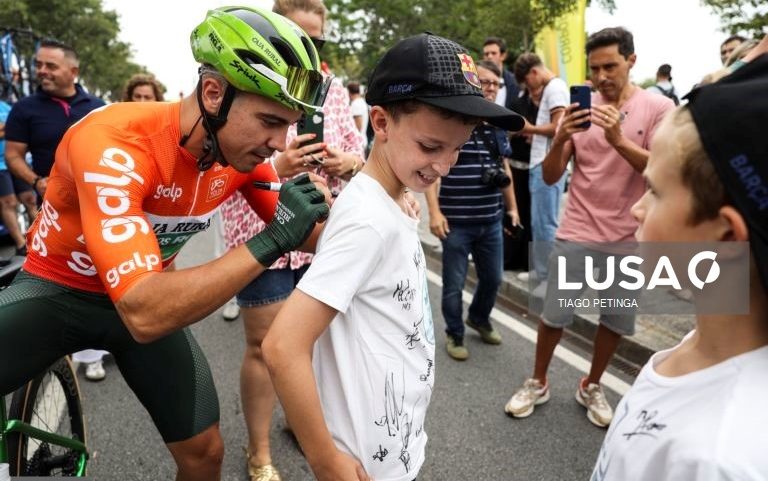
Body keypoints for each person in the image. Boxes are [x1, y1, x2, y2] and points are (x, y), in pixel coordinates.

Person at [0, 7, 331, 481]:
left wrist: (376, 189)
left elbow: (319, 237)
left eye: (289, 125)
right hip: (57, 293)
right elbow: (145, 310)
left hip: (143, 309)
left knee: (205, 453)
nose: (280, 143)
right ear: (213, 93)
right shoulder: (115, 141)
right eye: (269, 121)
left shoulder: (240, 155)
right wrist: (275, 238)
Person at [263, 33, 524, 481]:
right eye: (430, 147)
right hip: (366, 461)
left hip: (394, 442)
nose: (444, 165)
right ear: (381, 122)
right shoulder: (368, 220)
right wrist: (325, 459)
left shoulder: (387, 201)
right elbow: (282, 346)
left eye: (457, 148)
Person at [591, 53, 768, 481]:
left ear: (725, 239)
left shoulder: (719, 457)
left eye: (654, 190)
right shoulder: (705, 345)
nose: (636, 208)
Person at [218, 1, 365, 479]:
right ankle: (259, 451)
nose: (309, 49)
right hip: (260, 231)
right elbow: (222, 163)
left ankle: (301, 423)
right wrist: (277, 166)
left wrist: (344, 161)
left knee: (312, 343)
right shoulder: (244, 79)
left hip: (322, 232)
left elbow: (358, 150)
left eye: (317, 40)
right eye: (298, 37)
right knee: (263, 346)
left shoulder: (333, 88)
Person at [504, 27, 674, 427]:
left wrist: (618, 139)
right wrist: (561, 137)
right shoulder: (581, 109)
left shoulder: (658, 108)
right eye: (594, 69)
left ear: (631, 61)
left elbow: (662, 171)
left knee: (614, 321)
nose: (601, 77)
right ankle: (538, 380)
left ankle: (592, 384)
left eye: (610, 66)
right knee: (553, 314)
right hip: (577, 230)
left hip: (629, 238)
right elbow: (551, 177)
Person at [425, 59, 520, 361]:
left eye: (495, 83)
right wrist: (434, 213)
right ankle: (454, 333)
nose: (490, 88)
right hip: (456, 222)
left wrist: (513, 208)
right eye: (485, 81)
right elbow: (433, 169)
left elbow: (504, 167)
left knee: (493, 279)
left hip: (491, 221)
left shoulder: (499, 124)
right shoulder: (454, 121)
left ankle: (478, 318)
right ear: (473, 82)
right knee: (454, 285)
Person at [4, 39, 105, 198]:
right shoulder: (23, 108)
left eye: (51, 66)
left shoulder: (99, 107)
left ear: (73, 72)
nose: (42, 71)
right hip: (51, 203)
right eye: (39, 65)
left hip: (97, 198)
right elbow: (13, 155)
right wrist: (36, 181)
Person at [512, 52, 570, 295]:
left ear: (534, 72)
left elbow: (558, 128)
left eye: (527, 81)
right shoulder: (551, 88)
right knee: (538, 221)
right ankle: (541, 269)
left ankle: (549, 278)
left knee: (545, 223)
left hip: (548, 164)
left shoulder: (555, 89)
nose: (529, 88)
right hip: (541, 162)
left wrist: (529, 128)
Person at [0, 99, 36, 256]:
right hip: (0, 166)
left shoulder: (5, 106)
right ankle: (21, 245)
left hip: (16, 161)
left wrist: (6, 130)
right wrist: (8, 129)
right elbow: (13, 130)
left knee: (30, 199)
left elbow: (19, 129)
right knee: (9, 202)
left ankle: (37, 240)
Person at [482, 36, 520, 110]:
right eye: (486, 54)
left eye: (493, 53)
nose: (489, 56)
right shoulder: (475, 80)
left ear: (503, 56)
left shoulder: (514, 82)